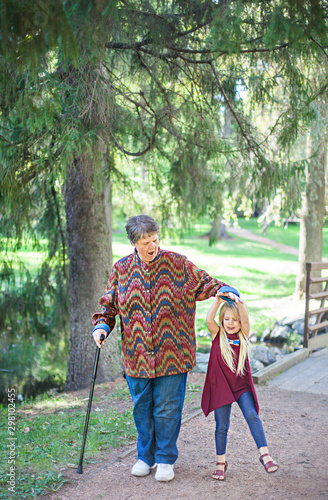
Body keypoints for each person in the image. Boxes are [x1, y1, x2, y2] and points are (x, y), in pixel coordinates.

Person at [92, 215, 239, 482]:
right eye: (146, 242)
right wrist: (102, 326)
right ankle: (145, 457)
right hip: (136, 355)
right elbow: (109, 305)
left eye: (155, 240)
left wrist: (223, 289)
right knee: (142, 407)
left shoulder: (177, 264)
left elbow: (204, 283)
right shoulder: (121, 269)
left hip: (173, 352)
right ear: (134, 243)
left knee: (168, 407)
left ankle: (165, 458)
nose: (152, 246)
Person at [201, 291, 278, 481]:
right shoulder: (217, 334)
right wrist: (218, 301)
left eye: (234, 320)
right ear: (222, 320)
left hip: (240, 386)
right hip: (221, 387)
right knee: (222, 426)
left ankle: (265, 454)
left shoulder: (243, 335)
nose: (231, 323)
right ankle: (221, 462)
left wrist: (239, 301)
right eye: (227, 319)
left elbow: (245, 317)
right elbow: (209, 319)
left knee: (252, 415)